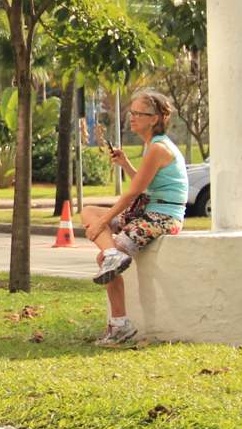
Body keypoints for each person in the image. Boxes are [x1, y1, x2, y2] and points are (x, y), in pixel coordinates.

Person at [80, 90, 188, 348]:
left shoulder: (158, 148)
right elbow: (145, 184)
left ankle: (120, 327)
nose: (133, 118)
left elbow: (133, 193)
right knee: (87, 211)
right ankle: (112, 256)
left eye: (140, 114)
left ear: (156, 118)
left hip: (162, 217)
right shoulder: (153, 145)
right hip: (149, 211)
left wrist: (103, 222)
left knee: (101, 248)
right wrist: (126, 165)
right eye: (133, 112)